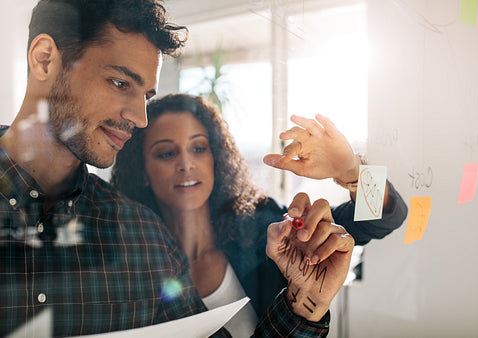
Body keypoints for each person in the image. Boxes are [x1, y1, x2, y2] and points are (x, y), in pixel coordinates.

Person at [0, 0, 355, 337]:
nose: (139, 119)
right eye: (121, 83)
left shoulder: (146, 239)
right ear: (45, 59)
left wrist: (304, 304)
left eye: (146, 96)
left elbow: (380, 216)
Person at [111, 94, 408, 336]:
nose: (186, 163)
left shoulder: (258, 224)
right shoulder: (130, 264)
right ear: (143, 171)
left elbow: (380, 218)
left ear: (216, 158)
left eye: (199, 148)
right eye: (166, 153)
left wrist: (352, 171)